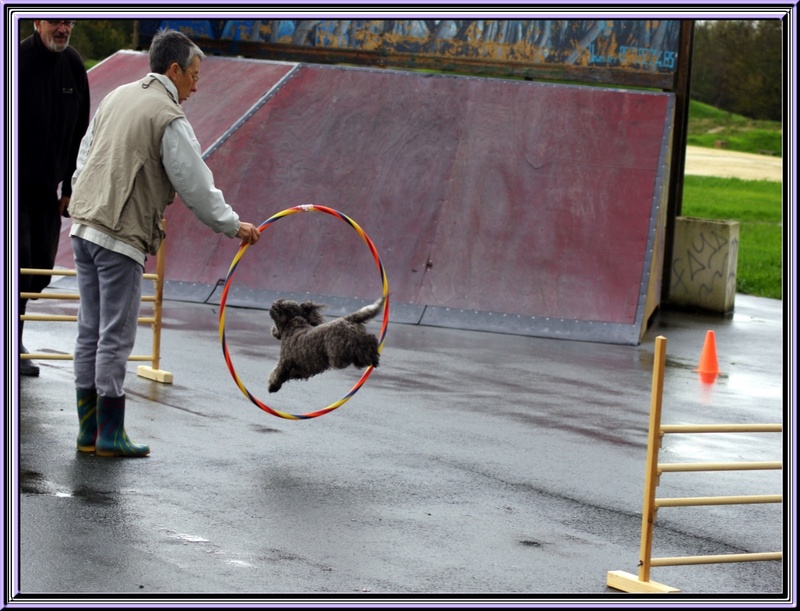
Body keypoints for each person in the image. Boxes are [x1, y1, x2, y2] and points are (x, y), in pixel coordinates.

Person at [67, 28, 261, 457]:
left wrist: (81, 198)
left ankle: (88, 432)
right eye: (193, 75)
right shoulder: (168, 116)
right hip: (120, 234)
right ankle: (110, 435)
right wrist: (234, 225)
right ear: (173, 70)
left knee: (89, 331)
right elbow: (194, 184)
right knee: (114, 336)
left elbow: (85, 155)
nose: (197, 84)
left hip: (84, 226)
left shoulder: (117, 95)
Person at [18, 19, 90, 377]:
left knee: (40, 271)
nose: (63, 29)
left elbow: (81, 133)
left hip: (49, 188)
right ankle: (11, 343)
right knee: (20, 262)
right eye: (55, 22)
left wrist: (70, 189)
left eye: (68, 22)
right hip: (13, 187)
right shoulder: (16, 60)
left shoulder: (74, 65)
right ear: (37, 22)